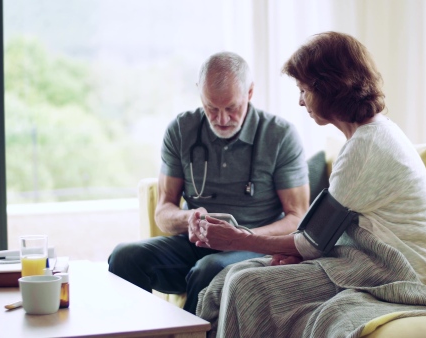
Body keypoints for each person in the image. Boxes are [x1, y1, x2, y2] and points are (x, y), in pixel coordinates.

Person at [194, 32, 426, 337]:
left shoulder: (366, 147)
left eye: (303, 90)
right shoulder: (367, 138)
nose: (300, 101)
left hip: (393, 273)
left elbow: (311, 241)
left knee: (247, 285)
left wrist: (240, 239)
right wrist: (296, 250)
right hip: (361, 261)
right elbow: (318, 237)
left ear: (329, 88)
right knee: (233, 273)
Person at [107, 51, 310, 315]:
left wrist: (242, 237)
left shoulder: (279, 135)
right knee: (124, 256)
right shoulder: (181, 129)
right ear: (199, 94)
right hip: (194, 244)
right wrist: (189, 217)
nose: (222, 119)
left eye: (231, 108)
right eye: (211, 108)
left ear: (249, 93)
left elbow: (298, 217)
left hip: (252, 247)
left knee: (210, 270)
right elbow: (164, 210)